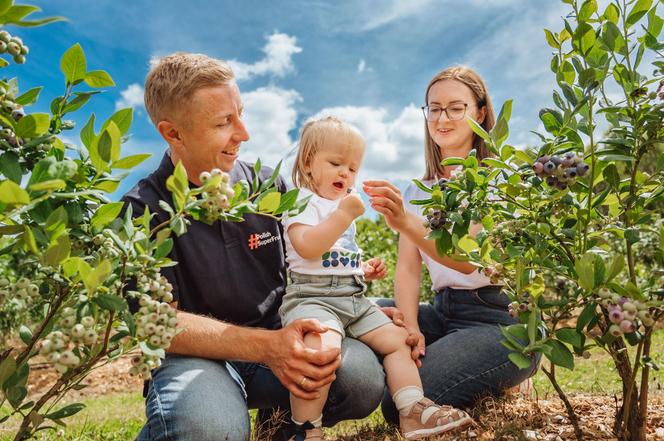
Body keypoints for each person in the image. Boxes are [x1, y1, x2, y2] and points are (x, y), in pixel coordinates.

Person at [121, 53, 388, 441]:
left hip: (280, 336)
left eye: (240, 113)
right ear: (172, 133)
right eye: (223, 122)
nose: (244, 133)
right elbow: (158, 323)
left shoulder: (269, 189)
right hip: (199, 358)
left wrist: (368, 310)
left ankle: (279, 424)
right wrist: (265, 347)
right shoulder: (142, 210)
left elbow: (311, 262)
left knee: (359, 379)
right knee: (208, 430)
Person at [363, 66, 539, 424]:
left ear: (480, 113)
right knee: (363, 312)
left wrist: (405, 222)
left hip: (497, 320)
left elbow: (470, 261)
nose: (443, 118)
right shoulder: (417, 191)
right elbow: (408, 269)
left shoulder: (498, 178)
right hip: (444, 312)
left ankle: (503, 375)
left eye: (456, 108)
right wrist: (410, 328)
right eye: (434, 108)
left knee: (397, 408)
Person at [281, 116, 474, 440]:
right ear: (308, 163)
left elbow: (334, 257)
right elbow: (308, 247)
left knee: (398, 341)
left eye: (353, 168)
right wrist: (345, 215)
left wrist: (361, 269)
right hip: (312, 298)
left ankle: (412, 411)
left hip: (353, 298)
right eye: (336, 163)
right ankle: (306, 429)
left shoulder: (343, 205)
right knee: (321, 351)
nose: (346, 173)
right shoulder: (301, 201)